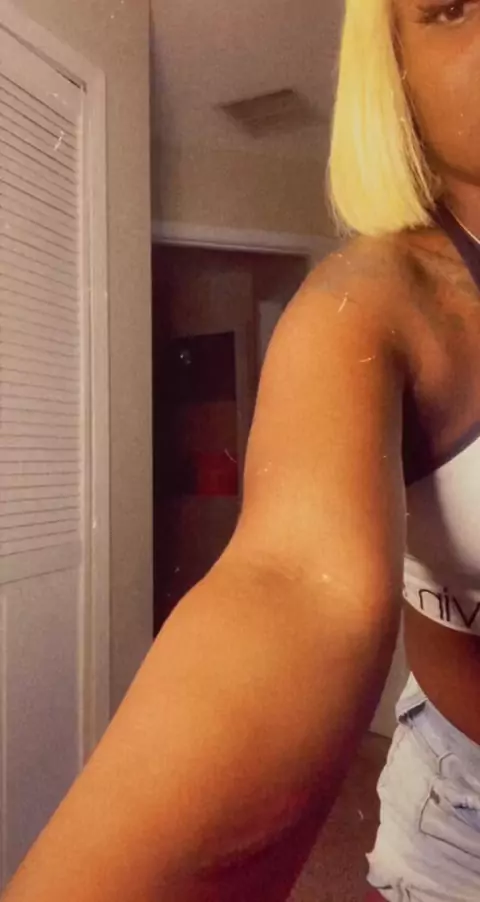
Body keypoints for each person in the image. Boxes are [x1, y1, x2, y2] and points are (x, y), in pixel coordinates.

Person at [2, 0, 480, 899]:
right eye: (450, 8)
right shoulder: (372, 303)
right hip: (466, 803)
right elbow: (294, 583)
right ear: (396, 74)